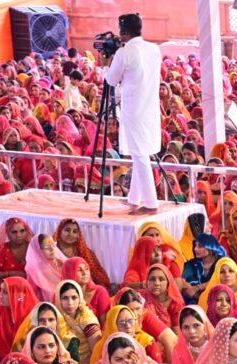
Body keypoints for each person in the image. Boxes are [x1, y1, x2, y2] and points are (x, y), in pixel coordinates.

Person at [103, 14, 162, 214]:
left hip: (134, 110)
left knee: (140, 155)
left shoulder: (124, 52)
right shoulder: (154, 49)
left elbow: (111, 80)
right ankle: (134, 198)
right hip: (150, 108)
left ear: (123, 32)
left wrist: (105, 64)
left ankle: (151, 203)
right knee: (140, 154)